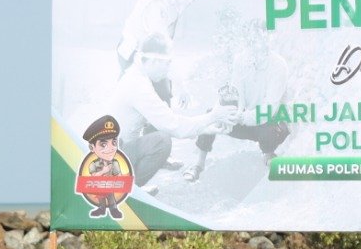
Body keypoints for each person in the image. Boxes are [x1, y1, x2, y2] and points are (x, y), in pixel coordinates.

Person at [113, 34, 239, 187]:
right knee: (162, 141)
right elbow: (173, 125)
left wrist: (206, 129)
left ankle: (127, 184)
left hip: (117, 150)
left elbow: (170, 122)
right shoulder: (138, 85)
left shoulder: (138, 75)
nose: (168, 71)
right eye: (167, 64)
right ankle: (127, 188)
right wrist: (213, 116)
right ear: (153, 61)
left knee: (159, 136)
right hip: (113, 156)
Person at [182, 36, 292, 181]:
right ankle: (198, 165)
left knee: (268, 131)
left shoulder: (278, 65)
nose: (254, 49)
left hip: (272, 122)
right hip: (246, 118)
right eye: (251, 43)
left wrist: (243, 118)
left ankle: (269, 155)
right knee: (213, 115)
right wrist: (231, 113)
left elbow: (270, 108)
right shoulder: (241, 59)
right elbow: (236, 92)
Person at [116, 0, 205, 71]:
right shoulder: (158, 3)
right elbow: (161, 47)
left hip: (147, 47)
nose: (191, 0)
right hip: (132, 51)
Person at [77, 114, 129, 221]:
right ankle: (101, 208)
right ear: (92, 147)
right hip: (99, 187)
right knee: (100, 197)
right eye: (103, 144)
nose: (111, 148)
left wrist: (118, 181)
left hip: (110, 186)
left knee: (110, 196)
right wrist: (103, 171)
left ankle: (114, 209)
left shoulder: (114, 163)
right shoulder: (93, 164)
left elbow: (120, 177)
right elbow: (93, 177)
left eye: (114, 142)